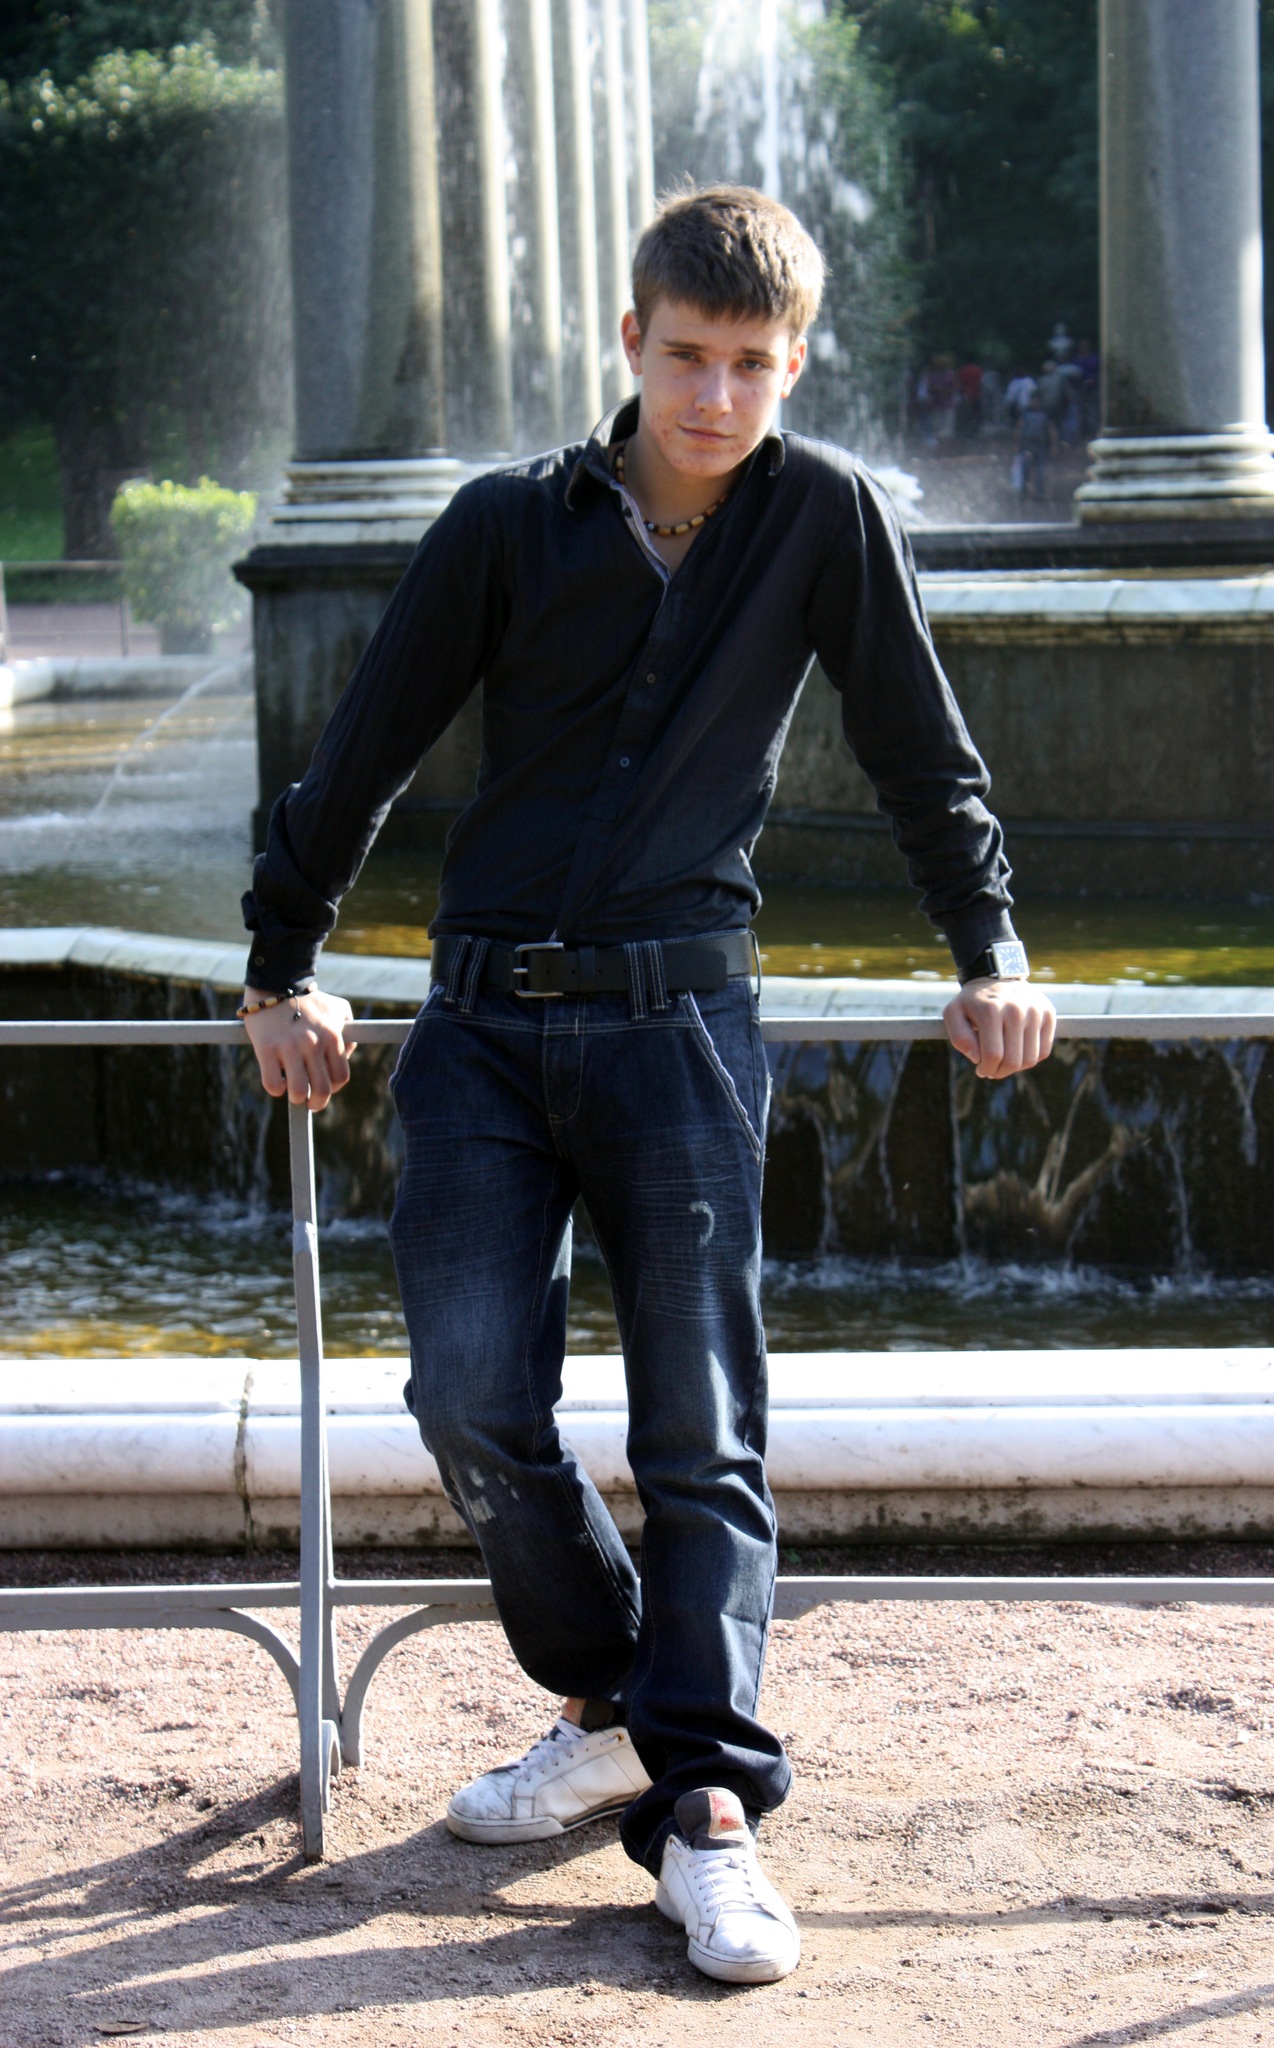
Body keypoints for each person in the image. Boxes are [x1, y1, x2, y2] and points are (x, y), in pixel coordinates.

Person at [239, 185, 1056, 1988]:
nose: (715, 397)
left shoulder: (825, 515)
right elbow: (359, 752)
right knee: (469, 1397)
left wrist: (988, 949)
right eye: (688, 357)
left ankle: (706, 1812)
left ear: (795, 361)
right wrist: (281, 965)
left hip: (684, 1028)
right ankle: (622, 1695)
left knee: (702, 1433)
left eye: (753, 365)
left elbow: (925, 758)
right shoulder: (503, 525)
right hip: (479, 1030)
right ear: (631, 342)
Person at [1016, 385, 1055, 500]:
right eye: (1033, 400)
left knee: (1040, 470)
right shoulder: (1026, 412)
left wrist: (1054, 445)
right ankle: (1023, 489)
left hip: (1041, 445)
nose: (1035, 402)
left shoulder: (1045, 413)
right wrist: (1017, 443)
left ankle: (1040, 492)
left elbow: (1051, 429)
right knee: (1025, 468)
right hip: (1027, 444)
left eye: (1037, 400)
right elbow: (1019, 428)